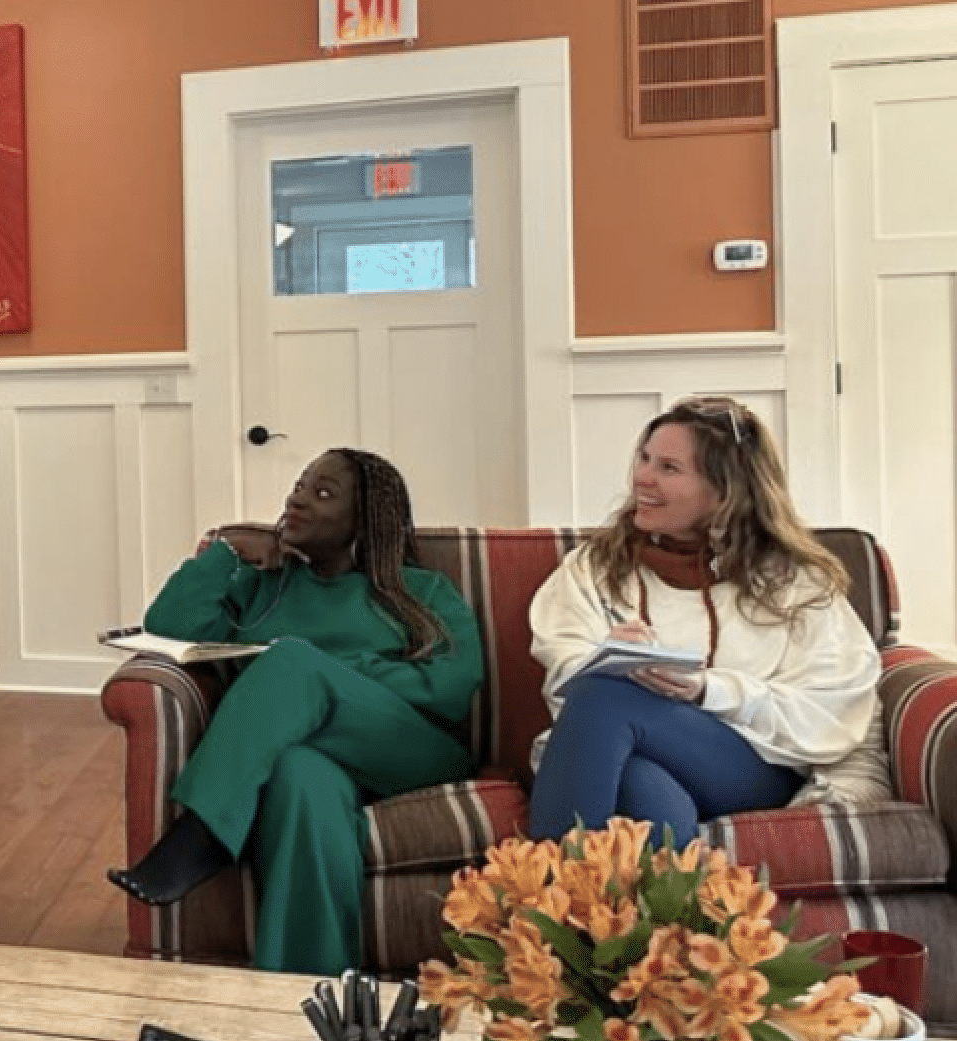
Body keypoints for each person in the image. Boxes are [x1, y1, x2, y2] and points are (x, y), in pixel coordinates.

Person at [107, 449, 483, 975]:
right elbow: (170, 624)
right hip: (312, 758)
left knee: (293, 661)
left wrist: (330, 676)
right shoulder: (264, 584)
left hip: (407, 752)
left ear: (364, 522)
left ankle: (205, 832)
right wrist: (226, 553)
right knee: (297, 778)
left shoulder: (418, 590)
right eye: (301, 485)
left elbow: (450, 686)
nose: (298, 498)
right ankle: (304, 997)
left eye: (323, 493)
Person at [527, 396, 881, 849]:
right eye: (645, 458)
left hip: (753, 770)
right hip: (627, 757)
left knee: (605, 693)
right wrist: (606, 655)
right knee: (641, 787)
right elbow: (562, 679)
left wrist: (707, 689)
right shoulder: (596, 567)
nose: (642, 477)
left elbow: (831, 713)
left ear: (724, 492)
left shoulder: (795, 583)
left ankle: (543, 897)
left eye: (669, 468)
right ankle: (663, 916)